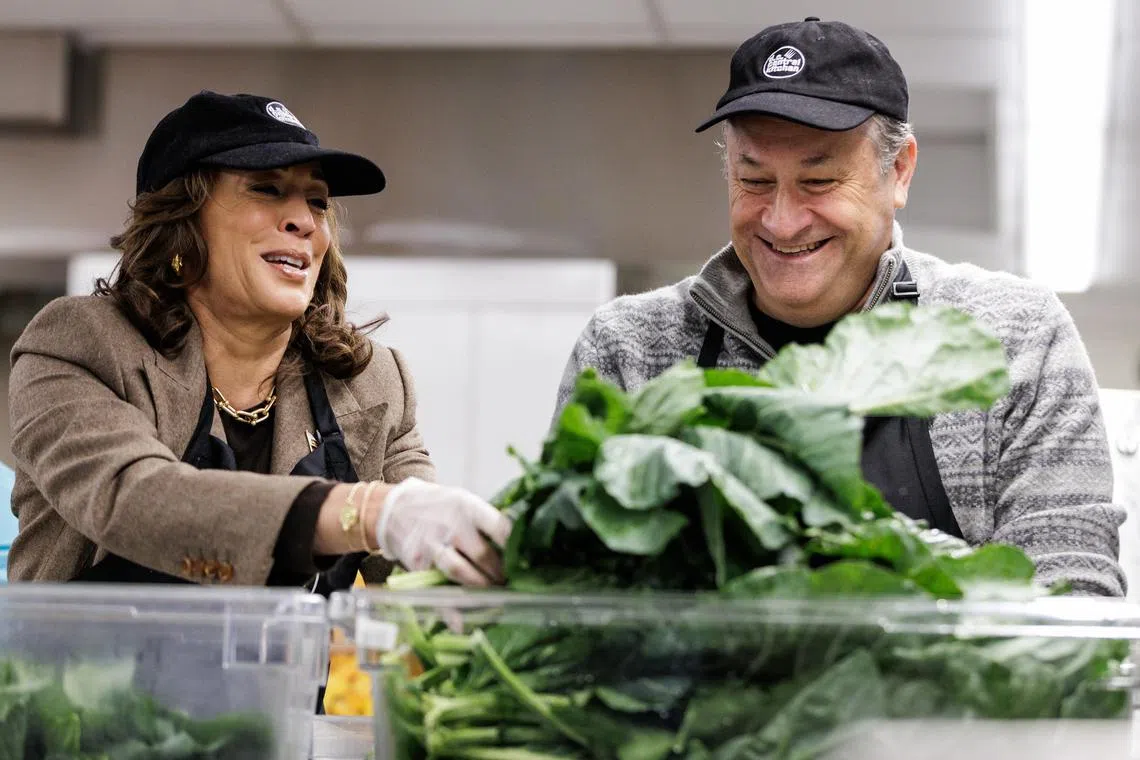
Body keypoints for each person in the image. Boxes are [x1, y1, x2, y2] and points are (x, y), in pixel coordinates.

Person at [554, 18, 1126, 596]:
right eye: (753, 180)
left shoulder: (1015, 337)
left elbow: (1072, 604)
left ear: (899, 170)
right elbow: (572, 588)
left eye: (819, 181)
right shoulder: (631, 348)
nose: (781, 219)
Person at [7, 90, 511, 591]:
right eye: (267, 190)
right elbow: (135, 500)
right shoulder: (81, 346)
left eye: (317, 201)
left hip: (280, 677)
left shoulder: (371, 384)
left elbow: (426, 575)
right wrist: (369, 512)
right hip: (80, 670)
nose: (305, 221)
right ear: (182, 221)